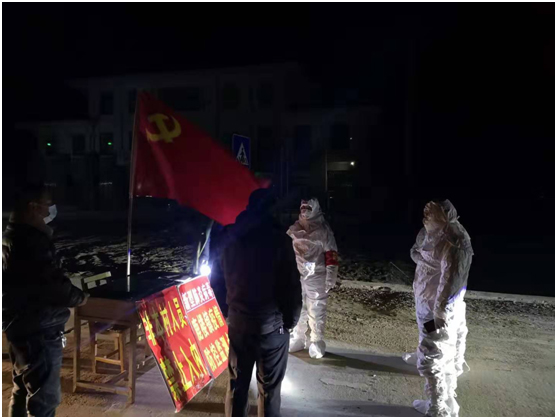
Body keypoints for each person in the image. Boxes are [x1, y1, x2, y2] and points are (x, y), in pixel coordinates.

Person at [211, 189, 302, 417]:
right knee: (269, 391)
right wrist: (290, 322)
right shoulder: (280, 241)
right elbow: (291, 287)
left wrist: (228, 311)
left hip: (239, 324)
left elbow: (217, 280)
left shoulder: (230, 238)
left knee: (237, 386)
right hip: (271, 328)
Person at [3, 184, 88, 417]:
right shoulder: (31, 242)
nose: (50, 211)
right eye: (47, 205)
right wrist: (79, 297)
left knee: (22, 388)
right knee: (44, 399)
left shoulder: (11, 236)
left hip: (19, 325)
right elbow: (52, 285)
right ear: (32, 207)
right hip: (39, 328)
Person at [407, 200, 473, 417]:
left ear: (443, 215)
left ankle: (437, 406)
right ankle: (445, 399)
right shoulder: (432, 233)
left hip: (437, 308)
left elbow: (451, 279)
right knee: (441, 348)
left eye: (430, 212)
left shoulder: (453, 240)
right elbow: (419, 253)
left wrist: (440, 311)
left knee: (432, 353)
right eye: (425, 211)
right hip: (429, 302)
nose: (425, 215)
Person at [287, 198, 339, 359]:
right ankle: (298, 337)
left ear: (315, 209)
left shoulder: (323, 231)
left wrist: (330, 276)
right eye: (303, 207)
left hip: (316, 275)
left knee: (316, 308)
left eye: (308, 207)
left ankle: (316, 340)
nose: (304, 210)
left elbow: (331, 254)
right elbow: (286, 251)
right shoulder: (295, 229)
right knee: (298, 306)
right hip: (298, 274)